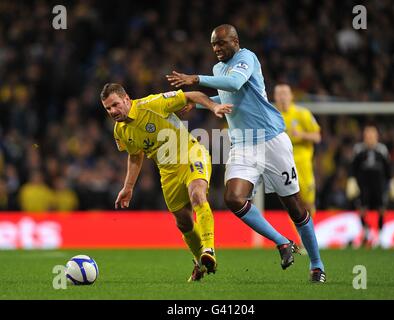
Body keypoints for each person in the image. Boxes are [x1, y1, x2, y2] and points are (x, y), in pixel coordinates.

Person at [167, 24, 325, 282]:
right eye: (213, 45)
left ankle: (317, 265)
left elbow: (235, 82)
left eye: (221, 43)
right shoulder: (218, 69)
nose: (217, 49)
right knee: (233, 198)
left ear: (235, 42)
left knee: (295, 206)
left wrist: (196, 79)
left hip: (272, 140)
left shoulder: (246, 58)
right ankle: (283, 242)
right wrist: (198, 102)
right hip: (243, 145)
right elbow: (230, 99)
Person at [100, 83, 233, 281]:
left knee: (197, 194)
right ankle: (201, 263)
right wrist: (128, 187)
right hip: (167, 171)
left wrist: (213, 107)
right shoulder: (120, 131)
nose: (112, 111)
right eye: (108, 108)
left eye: (115, 105)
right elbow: (135, 156)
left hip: (191, 154)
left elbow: (193, 95)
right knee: (184, 222)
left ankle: (209, 249)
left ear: (126, 99)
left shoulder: (152, 103)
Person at [346, 125, 394, 247]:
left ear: (376, 136)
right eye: (367, 135)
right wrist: (351, 180)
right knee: (362, 210)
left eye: (371, 135)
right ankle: (365, 232)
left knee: (381, 209)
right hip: (363, 185)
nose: (369, 138)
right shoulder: (359, 149)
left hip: (379, 185)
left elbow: (388, 168)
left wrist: (392, 181)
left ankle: (380, 236)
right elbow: (353, 167)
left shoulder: (382, 150)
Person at [273, 84, 321, 216]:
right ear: (275, 97)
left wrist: (301, 135)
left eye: (285, 93)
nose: (282, 97)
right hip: (283, 164)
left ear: (291, 96)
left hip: (303, 163)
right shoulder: (272, 116)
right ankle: (300, 235)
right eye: (279, 94)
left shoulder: (302, 113)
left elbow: (317, 137)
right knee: (292, 202)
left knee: (308, 202)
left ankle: (311, 232)